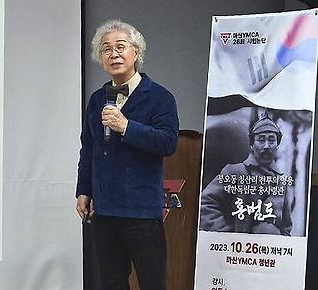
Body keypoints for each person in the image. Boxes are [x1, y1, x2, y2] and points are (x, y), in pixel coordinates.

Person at [75, 19, 179, 290]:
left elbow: (168, 143)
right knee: (111, 283)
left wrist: (126, 126)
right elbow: (89, 147)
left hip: (142, 212)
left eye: (120, 47)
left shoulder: (159, 97)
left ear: (136, 52)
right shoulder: (98, 99)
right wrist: (83, 190)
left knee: (152, 282)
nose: (114, 54)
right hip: (105, 210)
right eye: (106, 49)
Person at [199, 113, 293, 235]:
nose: (266, 146)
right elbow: (205, 203)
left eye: (271, 140)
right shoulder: (235, 172)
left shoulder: (281, 183)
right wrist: (226, 233)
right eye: (261, 140)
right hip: (238, 250)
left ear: (277, 145)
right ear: (252, 145)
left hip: (268, 251)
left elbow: (286, 227)